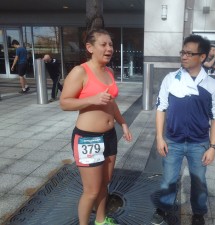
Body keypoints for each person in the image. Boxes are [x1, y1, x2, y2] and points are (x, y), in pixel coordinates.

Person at [60, 25, 132, 225]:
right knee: (91, 190)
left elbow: (111, 102)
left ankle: (101, 221)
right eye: (103, 44)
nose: (109, 48)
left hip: (109, 135)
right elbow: (64, 102)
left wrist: (123, 123)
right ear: (90, 47)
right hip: (87, 138)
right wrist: (92, 99)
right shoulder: (80, 71)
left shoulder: (109, 71)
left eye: (111, 44)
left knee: (104, 184)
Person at [152, 35, 215, 225]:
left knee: (199, 182)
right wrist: (160, 137)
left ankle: (199, 213)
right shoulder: (170, 79)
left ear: (202, 57)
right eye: (182, 52)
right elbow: (161, 108)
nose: (183, 56)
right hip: (173, 141)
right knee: (168, 179)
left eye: (189, 53)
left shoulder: (212, 86)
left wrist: (212, 146)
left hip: (199, 142)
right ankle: (164, 208)